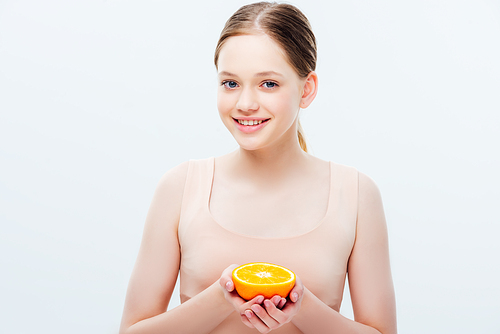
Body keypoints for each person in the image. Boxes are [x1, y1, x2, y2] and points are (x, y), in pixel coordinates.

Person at [119, 2, 397, 333]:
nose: (245, 104)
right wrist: (222, 298)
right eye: (231, 83)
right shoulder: (179, 188)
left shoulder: (356, 195)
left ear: (306, 90)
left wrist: (301, 306)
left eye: (268, 84)